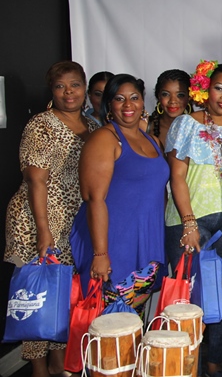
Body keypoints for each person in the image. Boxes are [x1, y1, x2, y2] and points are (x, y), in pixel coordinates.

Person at [165, 60, 222, 377]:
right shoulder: (186, 125)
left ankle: (214, 362)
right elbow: (177, 177)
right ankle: (185, 363)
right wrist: (189, 223)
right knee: (188, 297)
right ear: (205, 89)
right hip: (191, 220)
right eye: (219, 88)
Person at [4, 61, 99, 377]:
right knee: (37, 295)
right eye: (60, 86)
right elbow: (36, 180)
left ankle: (59, 363)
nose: (68, 92)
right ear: (52, 91)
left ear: (84, 88)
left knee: (63, 294)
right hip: (37, 220)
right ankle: (39, 369)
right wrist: (43, 231)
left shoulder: (93, 126)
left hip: (72, 224)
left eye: (75, 85)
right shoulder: (41, 125)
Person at [70, 74, 168, 309]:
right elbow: (94, 199)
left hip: (146, 245)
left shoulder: (152, 140)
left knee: (134, 320)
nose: (128, 105)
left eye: (134, 97)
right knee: (109, 322)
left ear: (143, 102)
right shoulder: (104, 138)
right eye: (119, 98)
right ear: (109, 104)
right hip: (114, 245)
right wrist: (100, 254)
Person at [146, 69, 192, 151]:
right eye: (166, 94)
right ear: (158, 96)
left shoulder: (199, 128)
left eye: (180, 95)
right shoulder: (144, 126)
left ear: (189, 97)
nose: (173, 101)